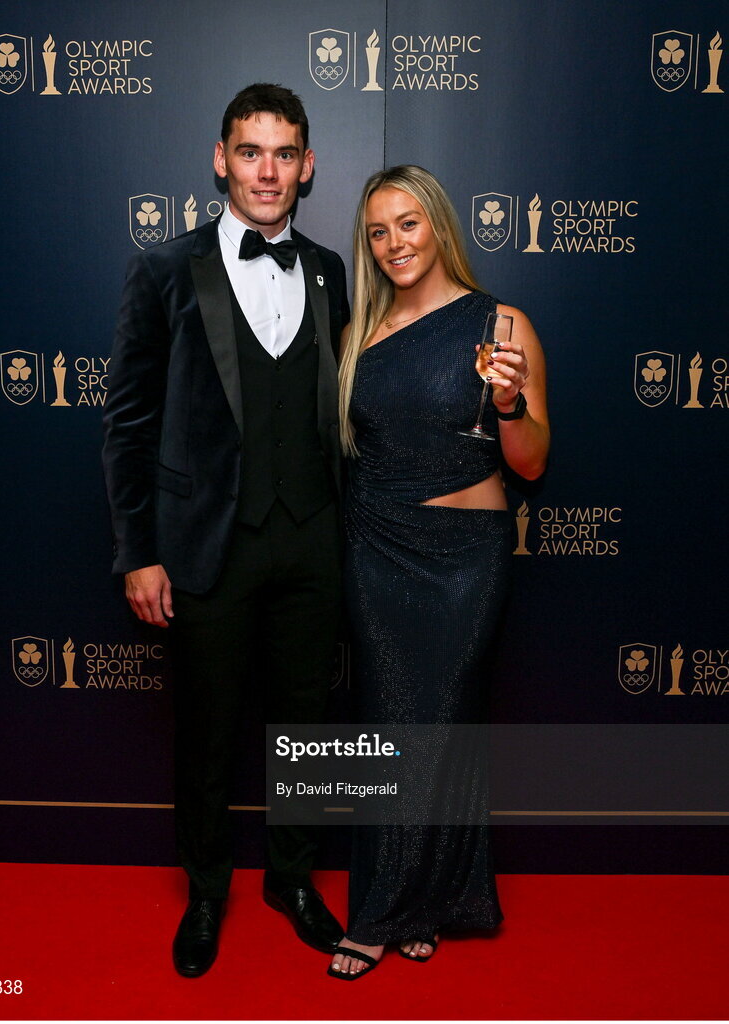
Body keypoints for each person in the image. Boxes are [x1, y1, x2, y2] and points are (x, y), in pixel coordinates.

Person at [102, 83, 349, 978]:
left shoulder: (330, 270)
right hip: (207, 544)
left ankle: (293, 879)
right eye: (252, 151)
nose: (268, 171)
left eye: (285, 154)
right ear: (220, 159)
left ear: (308, 165)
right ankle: (209, 890)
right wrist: (140, 552)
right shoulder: (165, 269)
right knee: (205, 731)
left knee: (309, 727)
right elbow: (127, 424)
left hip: (313, 540)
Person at [328, 166, 549, 979]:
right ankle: (400, 907)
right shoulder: (362, 334)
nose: (394, 244)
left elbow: (530, 462)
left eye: (409, 224)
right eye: (379, 231)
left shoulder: (502, 323)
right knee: (388, 722)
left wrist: (510, 407)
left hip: (466, 560)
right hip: (377, 551)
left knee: (447, 723)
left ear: (439, 225)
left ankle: (421, 902)